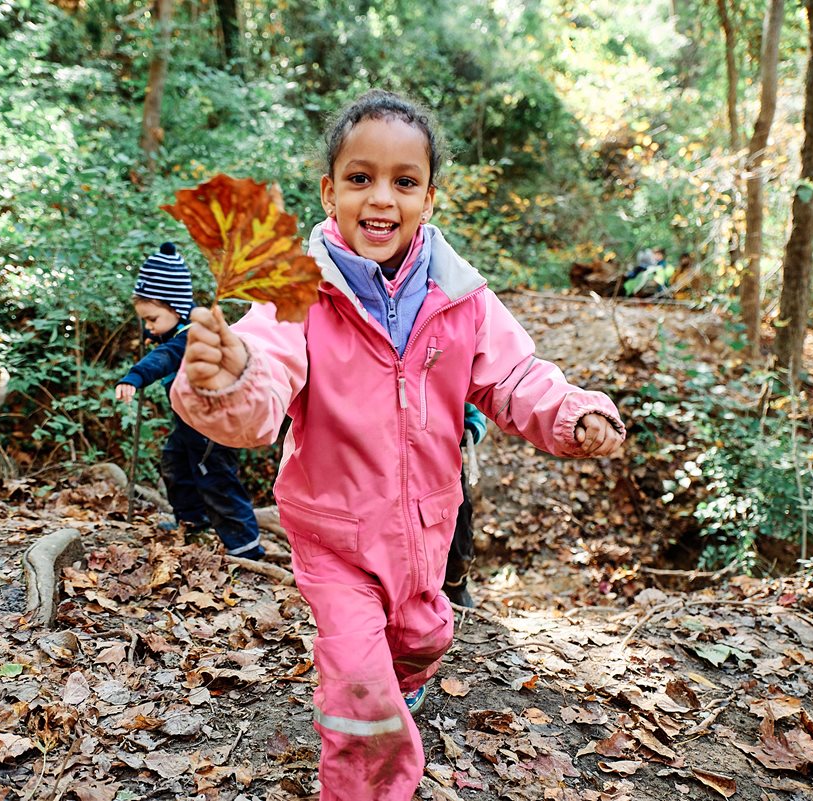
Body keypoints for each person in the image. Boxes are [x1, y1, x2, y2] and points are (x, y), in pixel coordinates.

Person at [171, 89, 624, 801]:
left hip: (426, 528)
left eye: (403, 181)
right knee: (360, 688)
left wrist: (571, 412)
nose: (380, 198)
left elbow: (511, 375)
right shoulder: (296, 290)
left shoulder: (459, 294)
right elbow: (262, 380)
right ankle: (368, 775)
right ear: (329, 190)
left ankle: (402, 682)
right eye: (360, 178)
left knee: (422, 639)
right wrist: (226, 378)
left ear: (429, 197)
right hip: (334, 533)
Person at [114, 243, 264, 561]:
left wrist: (135, 377)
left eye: (153, 319)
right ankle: (192, 520)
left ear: (176, 307)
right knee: (175, 465)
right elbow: (165, 343)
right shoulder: (176, 331)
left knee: (215, 477)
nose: (149, 328)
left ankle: (246, 545)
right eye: (146, 321)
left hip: (213, 426)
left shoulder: (195, 334)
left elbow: (166, 357)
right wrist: (157, 334)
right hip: (189, 424)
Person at [443, 403, 487, 608]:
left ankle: (455, 582)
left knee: (458, 515)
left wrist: (473, 426)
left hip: (444, 449)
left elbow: (473, 404)